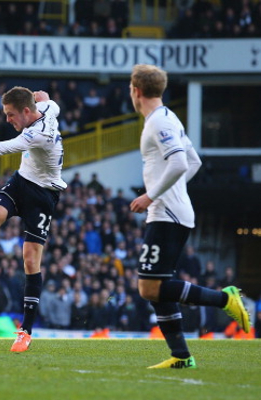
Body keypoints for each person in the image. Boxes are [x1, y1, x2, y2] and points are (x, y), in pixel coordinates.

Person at [128, 64, 249, 369]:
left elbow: (181, 163)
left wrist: (152, 195)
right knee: (157, 285)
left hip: (166, 212)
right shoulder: (169, 118)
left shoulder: (158, 123)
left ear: (136, 91)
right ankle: (181, 356)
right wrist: (170, 192)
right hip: (172, 210)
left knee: (148, 287)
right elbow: (193, 160)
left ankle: (226, 299)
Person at [0, 86, 65, 352]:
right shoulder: (44, 110)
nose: (8, 120)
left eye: (10, 115)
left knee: (30, 260)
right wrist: (45, 98)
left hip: (44, 195)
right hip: (21, 182)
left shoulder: (36, 134)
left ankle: (26, 332)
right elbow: (52, 105)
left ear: (26, 111)